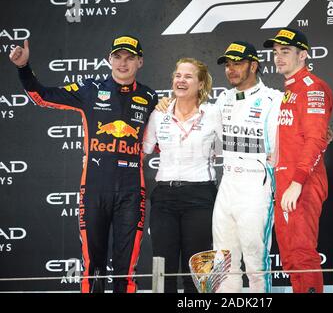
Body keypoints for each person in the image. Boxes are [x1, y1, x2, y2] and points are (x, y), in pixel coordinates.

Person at [9, 35, 157, 293]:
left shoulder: (151, 97)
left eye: (130, 58)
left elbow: (164, 139)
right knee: (93, 268)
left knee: (127, 270)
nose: (123, 63)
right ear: (109, 59)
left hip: (133, 192)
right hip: (94, 190)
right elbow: (42, 96)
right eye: (118, 57)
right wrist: (24, 68)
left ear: (140, 62)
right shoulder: (89, 89)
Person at [263, 28, 333, 293]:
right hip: (285, 181)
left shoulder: (312, 87)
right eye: (275, 53)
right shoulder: (287, 91)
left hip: (302, 182)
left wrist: (297, 181)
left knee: (302, 253)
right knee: (291, 258)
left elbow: (315, 140)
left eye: (286, 52)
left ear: (303, 54)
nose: (278, 58)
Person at [143, 58, 221, 293]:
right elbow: (144, 149)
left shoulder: (213, 112)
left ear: (200, 84)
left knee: (196, 272)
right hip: (164, 197)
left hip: (200, 196)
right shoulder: (159, 113)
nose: (181, 80)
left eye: (188, 76)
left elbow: (223, 149)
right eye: (178, 75)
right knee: (163, 268)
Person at [212, 41, 282, 293]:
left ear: (254, 65)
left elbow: (287, 142)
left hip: (256, 184)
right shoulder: (223, 99)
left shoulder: (274, 99)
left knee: (255, 261)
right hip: (227, 182)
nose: (231, 69)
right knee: (223, 259)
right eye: (228, 65)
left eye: (238, 63)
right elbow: (212, 141)